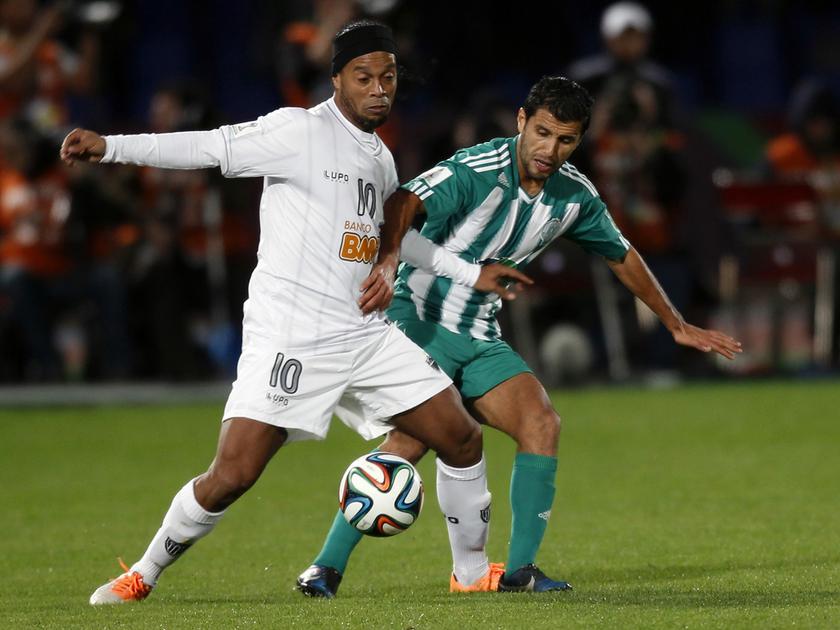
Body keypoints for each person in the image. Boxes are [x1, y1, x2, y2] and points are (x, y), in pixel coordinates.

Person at [61, 19, 496, 605]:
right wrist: (112, 147)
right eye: (364, 77)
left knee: (462, 438)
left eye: (388, 78)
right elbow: (209, 146)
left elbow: (389, 237)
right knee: (232, 475)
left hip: (363, 335)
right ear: (336, 78)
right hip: (292, 336)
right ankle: (142, 572)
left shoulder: (381, 157)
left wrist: (459, 272)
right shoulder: (295, 130)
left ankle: (470, 575)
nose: (378, 89)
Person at [296, 75, 742, 597]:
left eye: (567, 139)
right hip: (419, 320)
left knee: (541, 421)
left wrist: (676, 324)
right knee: (417, 438)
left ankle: (520, 572)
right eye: (544, 133)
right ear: (521, 121)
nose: (551, 149)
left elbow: (621, 254)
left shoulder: (574, 196)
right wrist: (391, 258)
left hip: (479, 331)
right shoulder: (477, 169)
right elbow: (402, 203)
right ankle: (325, 567)